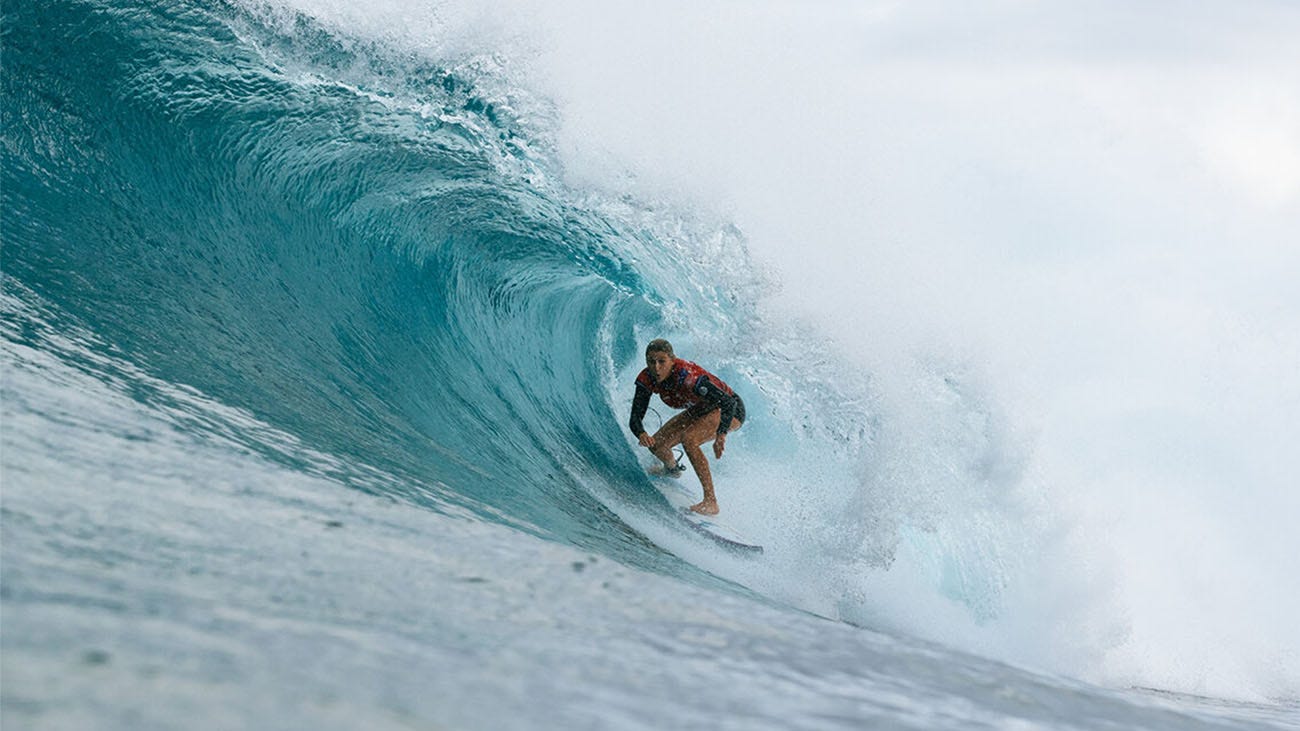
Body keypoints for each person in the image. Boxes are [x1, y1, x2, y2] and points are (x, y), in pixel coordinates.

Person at [628, 338, 745, 515]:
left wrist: (721, 434)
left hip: (730, 409)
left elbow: (728, 402)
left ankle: (711, 502)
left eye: (662, 361)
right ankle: (671, 469)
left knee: (689, 439)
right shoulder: (647, 379)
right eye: (652, 362)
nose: (657, 367)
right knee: (657, 444)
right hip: (702, 409)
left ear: (672, 360)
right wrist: (642, 433)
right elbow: (635, 417)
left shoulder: (689, 377)